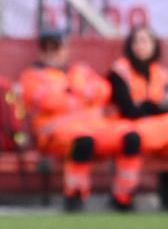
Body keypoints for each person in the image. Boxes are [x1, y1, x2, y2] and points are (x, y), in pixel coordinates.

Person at [19, 29, 141, 211]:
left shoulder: (80, 70)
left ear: (66, 50)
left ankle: (124, 196)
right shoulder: (32, 75)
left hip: (96, 126)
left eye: (56, 48)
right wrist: (82, 96)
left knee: (131, 136)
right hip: (55, 132)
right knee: (82, 140)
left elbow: (104, 90)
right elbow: (49, 101)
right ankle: (75, 195)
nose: (51, 53)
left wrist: (72, 93)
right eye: (47, 48)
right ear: (40, 51)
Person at [107, 25, 168, 209]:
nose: (140, 46)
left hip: (155, 130)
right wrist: (153, 106)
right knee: (132, 138)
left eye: (145, 41)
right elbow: (128, 109)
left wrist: (151, 107)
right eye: (136, 41)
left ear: (154, 45)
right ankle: (123, 196)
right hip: (125, 126)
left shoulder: (161, 74)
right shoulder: (120, 71)